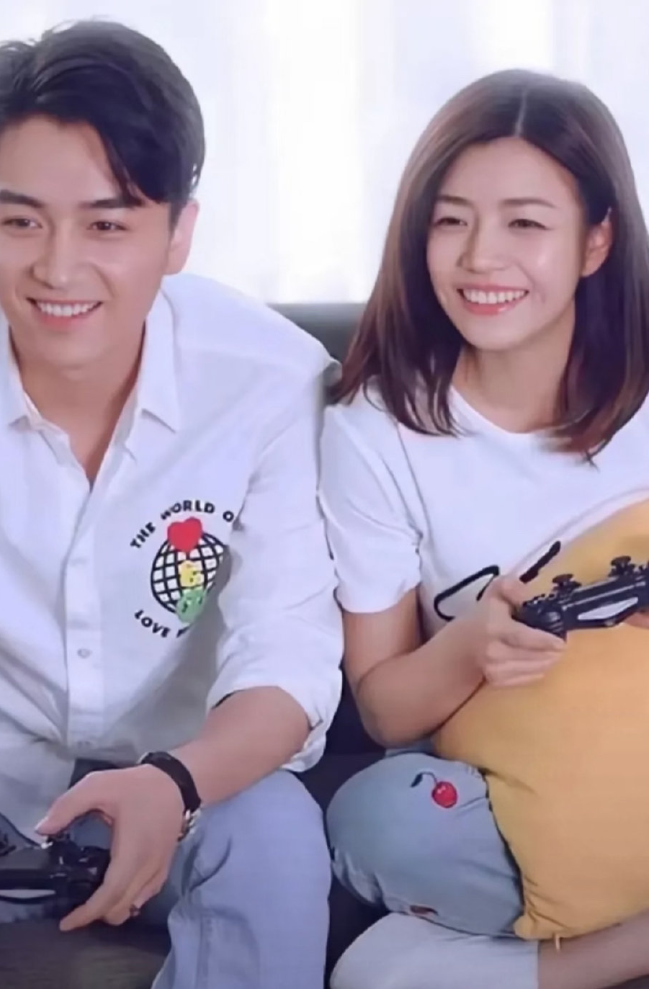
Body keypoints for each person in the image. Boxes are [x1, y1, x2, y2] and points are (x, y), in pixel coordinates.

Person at [0, 20, 343, 989]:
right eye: (22, 221)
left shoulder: (270, 379)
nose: (58, 267)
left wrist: (176, 781)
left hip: (179, 788)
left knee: (275, 832)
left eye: (107, 224)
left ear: (178, 232)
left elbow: (287, 658)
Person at [319, 68, 649, 989]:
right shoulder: (375, 429)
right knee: (378, 822)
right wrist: (471, 645)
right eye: (452, 220)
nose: (479, 258)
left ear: (596, 241)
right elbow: (384, 708)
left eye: (525, 224)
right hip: (510, 794)